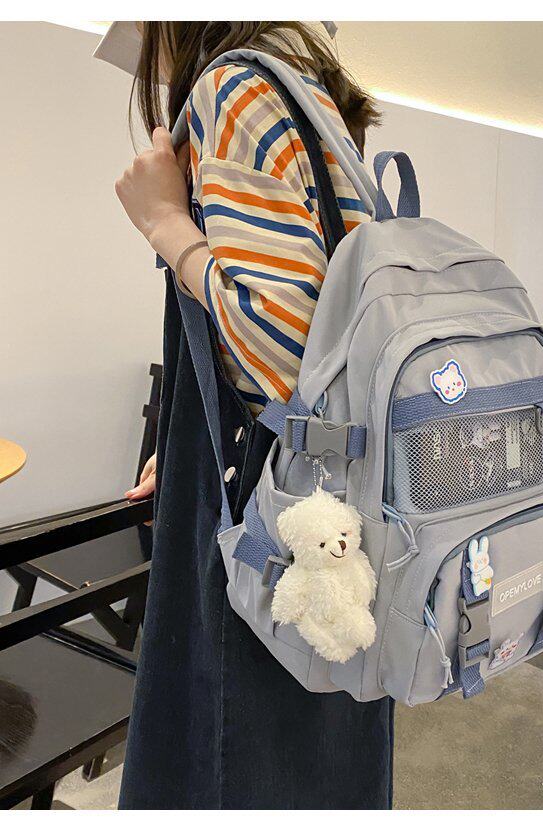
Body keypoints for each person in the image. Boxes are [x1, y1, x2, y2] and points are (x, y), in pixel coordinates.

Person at [110, 22, 393, 809]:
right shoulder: (309, 89)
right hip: (328, 502)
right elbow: (329, 342)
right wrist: (188, 439)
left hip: (263, 525)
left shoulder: (234, 88)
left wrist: (167, 226)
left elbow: (287, 350)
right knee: (319, 753)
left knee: (234, 761)